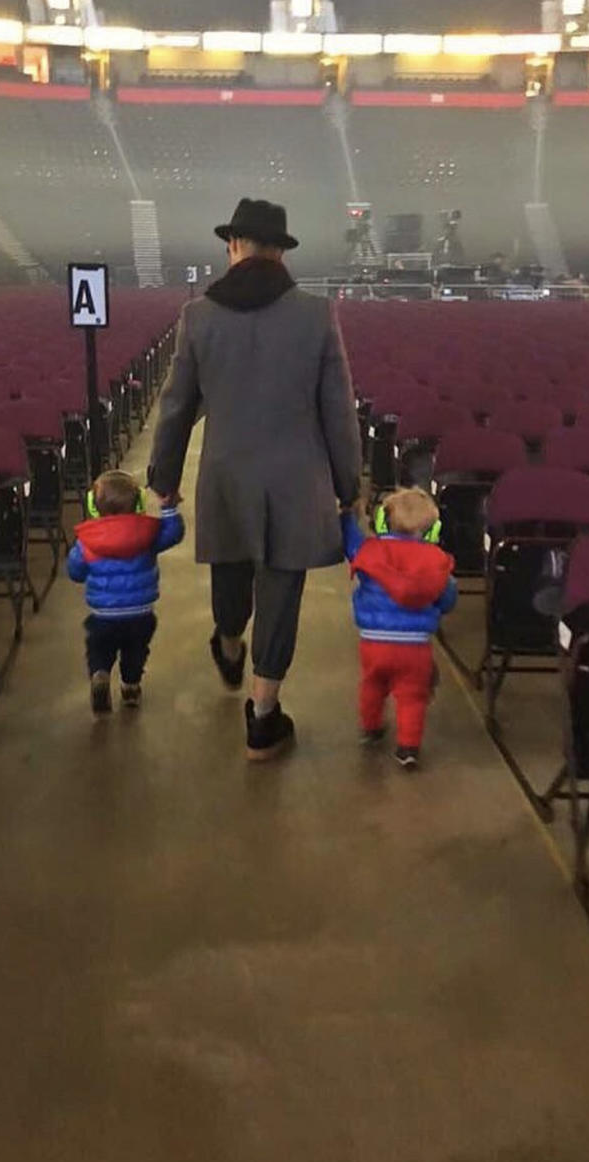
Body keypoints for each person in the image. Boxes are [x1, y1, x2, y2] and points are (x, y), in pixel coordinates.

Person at [148, 198, 361, 761]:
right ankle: (263, 716)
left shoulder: (199, 315)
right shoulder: (316, 314)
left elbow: (176, 408)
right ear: (279, 251)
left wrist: (163, 477)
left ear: (234, 246)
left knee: (231, 571)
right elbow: (338, 410)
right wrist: (350, 486)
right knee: (282, 591)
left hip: (226, 476)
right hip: (297, 478)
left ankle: (227, 640)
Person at [342, 488, 457, 770]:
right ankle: (408, 748)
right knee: (412, 696)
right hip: (415, 646)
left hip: (373, 643)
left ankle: (371, 728)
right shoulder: (436, 560)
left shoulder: (370, 551)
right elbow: (447, 598)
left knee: (372, 684)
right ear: (429, 529)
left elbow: (350, 542)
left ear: (385, 521)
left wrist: (347, 517)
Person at [66, 470, 184, 715]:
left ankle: (100, 674)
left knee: (99, 648)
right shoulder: (147, 533)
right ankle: (130, 687)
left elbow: (75, 571)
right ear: (139, 503)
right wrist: (169, 509)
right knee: (135, 651)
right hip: (140, 613)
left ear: (93, 506)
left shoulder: (87, 540)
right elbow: (172, 534)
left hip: (102, 613)